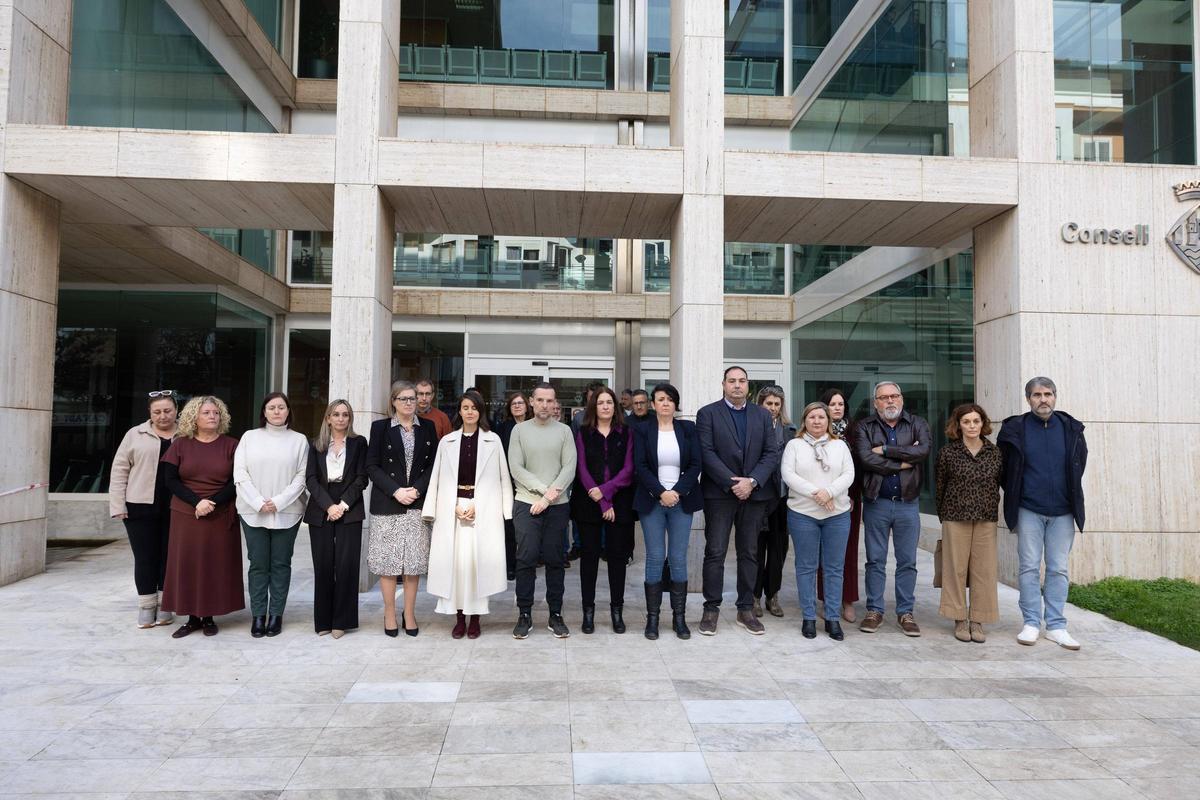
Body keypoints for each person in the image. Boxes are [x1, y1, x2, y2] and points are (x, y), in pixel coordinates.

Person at [998, 377, 1088, 650]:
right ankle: (1031, 623)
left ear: (1055, 396)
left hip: (1063, 511)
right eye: (1037, 395)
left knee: (1058, 568)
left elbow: (1079, 462)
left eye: (1048, 394)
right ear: (1028, 399)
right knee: (1028, 567)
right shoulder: (1016, 428)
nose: (1043, 399)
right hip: (1029, 508)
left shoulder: (1070, 428)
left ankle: (1057, 626)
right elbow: (1004, 469)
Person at [696, 366, 782, 636]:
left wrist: (752, 481)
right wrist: (734, 483)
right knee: (716, 552)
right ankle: (711, 609)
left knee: (749, 553)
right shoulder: (708, 413)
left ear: (748, 386)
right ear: (723, 384)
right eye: (731, 381)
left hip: (754, 495)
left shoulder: (762, 415)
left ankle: (745, 609)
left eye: (741, 381)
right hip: (720, 494)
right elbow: (706, 453)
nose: (736, 385)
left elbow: (771, 453)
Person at [425, 391, 513, 639]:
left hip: (482, 509)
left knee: (477, 566)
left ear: (480, 411)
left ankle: (475, 618)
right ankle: (459, 617)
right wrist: (447, 505)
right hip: (452, 510)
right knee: (457, 566)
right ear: (460, 411)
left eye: (474, 407)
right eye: (465, 407)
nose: (470, 412)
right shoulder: (448, 441)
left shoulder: (493, 440)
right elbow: (438, 479)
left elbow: (502, 478)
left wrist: (488, 507)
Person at [159, 396, 244, 638]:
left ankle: (209, 617)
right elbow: (170, 480)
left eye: (216, 413)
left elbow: (237, 481)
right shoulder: (180, 444)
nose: (212, 416)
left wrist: (212, 503)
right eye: (206, 412)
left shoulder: (232, 445)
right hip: (186, 513)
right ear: (194, 417)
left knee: (214, 565)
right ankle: (191, 617)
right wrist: (197, 502)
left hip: (220, 512)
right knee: (187, 564)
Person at [854, 382, 931, 637]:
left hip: (908, 504)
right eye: (883, 398)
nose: (890, 401)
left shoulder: (917, 423)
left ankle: (905, 613)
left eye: (894, 396)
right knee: (875, 560)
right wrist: (901, 464)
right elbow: (866, 458)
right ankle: (874, 610)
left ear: (901, 399)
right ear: (875, 402)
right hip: (877, 502)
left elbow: (922, 451)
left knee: (907, 561)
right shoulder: (865, 426)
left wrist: (886, 450)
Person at [234, 392, 309, 638]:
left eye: (281, 407)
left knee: (280, 564)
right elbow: (240, 473)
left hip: (288, 512)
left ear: (288, 411)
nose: (277, 411)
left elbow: (301, 477)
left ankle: (276, 614)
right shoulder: (249, 437)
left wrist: (278, 502)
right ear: (264, 412)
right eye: (271, 407)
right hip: (252, 511)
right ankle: (258, 615)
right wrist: (257, 501)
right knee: (258, 564)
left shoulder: (299, 440)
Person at [366, 381, 437, 637]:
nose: (409, 402)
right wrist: (396, 490)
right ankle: (389, 612)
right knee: (389, 563)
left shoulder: (427, 427)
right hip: (388, 503)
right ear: (393, 401)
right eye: (404, 398)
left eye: (413, 398)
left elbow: (433, 466)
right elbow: (372, 466)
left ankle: (409, 612)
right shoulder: (380, 428)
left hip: (417, 503)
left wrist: (416, 489)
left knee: (413, 563)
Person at [632, 383, 703, 640]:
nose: (665, 403)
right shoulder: (641, 430)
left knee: (677, 557)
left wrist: (677, 492)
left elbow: (696, 464)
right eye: (660, 399)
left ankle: (679, 619)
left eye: (670, 399)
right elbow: (639, 465)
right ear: (653, 404)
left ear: (676, 404)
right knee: (654, 556)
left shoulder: (688, 429)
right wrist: (661, 491)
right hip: (652, 501)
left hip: (681, 501)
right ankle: (653, 620)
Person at [508, 382, 577, 639]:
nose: (545, 405)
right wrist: (541, 491)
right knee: (525, 559)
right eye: (540, 400)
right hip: (526, 503)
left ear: (555, 403)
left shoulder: (565, 431)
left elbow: (569, 467)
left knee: (555, 559)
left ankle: (555, 613)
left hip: (557, 506)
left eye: (550, 401)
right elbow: (516, 467)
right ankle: (524, 613)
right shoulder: (519, 431)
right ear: (532, 401)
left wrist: (548, 498)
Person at [782, 402, 855, 641]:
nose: (817, 421)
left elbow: (848, 474)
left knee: (834, 568)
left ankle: (833, 617)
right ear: (805, 420)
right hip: (803, 514)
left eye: (821, 417)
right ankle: (809, 617)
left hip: (837, 514)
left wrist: (830, 492)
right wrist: (818, 493)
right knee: (806, 567)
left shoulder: (839, 446)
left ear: (828, 421)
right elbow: (789, 475)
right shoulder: (794, 445)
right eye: (812, 417)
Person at [110, 390, 180, 628]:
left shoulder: (186, 434)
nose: (163, 416)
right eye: (157, 411)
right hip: (139, 506)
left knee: (169, 557)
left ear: (176, 411)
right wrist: (118, 505)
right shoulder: (135, 434)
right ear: (150, 413)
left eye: (167, 411)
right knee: (145, 557)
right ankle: (146, 606)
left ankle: (165, 604)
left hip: (176, 507)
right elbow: (120, 470)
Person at [936, 403, 1002, 644]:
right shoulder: (948, 453)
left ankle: (978, 619)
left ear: (983, 424)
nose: (972, 426)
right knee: (955, 569)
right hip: (955, 516)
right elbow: (940, 486)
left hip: (986, 517)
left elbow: (999, 483)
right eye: (967, 422)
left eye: (976, 421)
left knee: (983, 570)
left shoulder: (994, 453)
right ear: (958, 425)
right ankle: (959, 617)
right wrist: (943, 514)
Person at [571, 387, 634, 634]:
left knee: (617, 559)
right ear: (593, 407)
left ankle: (617, 611)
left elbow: (628, 470)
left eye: (609, 402)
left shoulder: (627, 433)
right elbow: (581, 468)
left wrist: (606, 494)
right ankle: (588, 612)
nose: (606, 406)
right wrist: (600, 499)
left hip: (619, 503)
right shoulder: (584, 433)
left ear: (615, 406)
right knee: (589, 560)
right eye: (600, 403)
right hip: (589, 502)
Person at [304, 399, 368, 638]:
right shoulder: (316, 445)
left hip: (349, 504)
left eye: (345, 415)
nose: (341, 419)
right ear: (328, 418)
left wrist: (342, 505)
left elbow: (362, 478)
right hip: (321, 505)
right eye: (336, 414)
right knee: (323, 566)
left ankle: (342, 621)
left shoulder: (359, 443)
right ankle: (323, 621)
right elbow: (310, 479)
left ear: (350, 419)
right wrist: (329, 506)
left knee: (346, 566)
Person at [819, 388, 862, 623]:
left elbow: (859, 468)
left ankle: (847, 600)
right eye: (833, 404)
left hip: (849, 500)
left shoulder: (855, 433)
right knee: (824, 552)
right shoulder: (816, 431)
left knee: (848, 551)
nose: (837, 408)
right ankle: (827, 599)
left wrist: (852, 496)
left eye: (841, 404)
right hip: (820, 500)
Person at [752, 386, 795, 619]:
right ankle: (754, 596)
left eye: (777, 404)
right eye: (769, 404)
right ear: (760, 404)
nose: (773, 408)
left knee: (778, 550)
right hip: (758, 496)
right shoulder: (752, 428)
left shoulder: (790, 430)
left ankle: (772, 595)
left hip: (782, 497)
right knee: (756, 548)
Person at [496, 392, 529, 580]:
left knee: (527, 529)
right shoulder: (503, 428)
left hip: (530, 484)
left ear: (527, 406)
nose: (517, 406)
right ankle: (510, 566)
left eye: (520, 403)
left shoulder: (533, 426)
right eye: (514, 404)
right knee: (509, 527)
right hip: (508, 483)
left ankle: (526, 563)